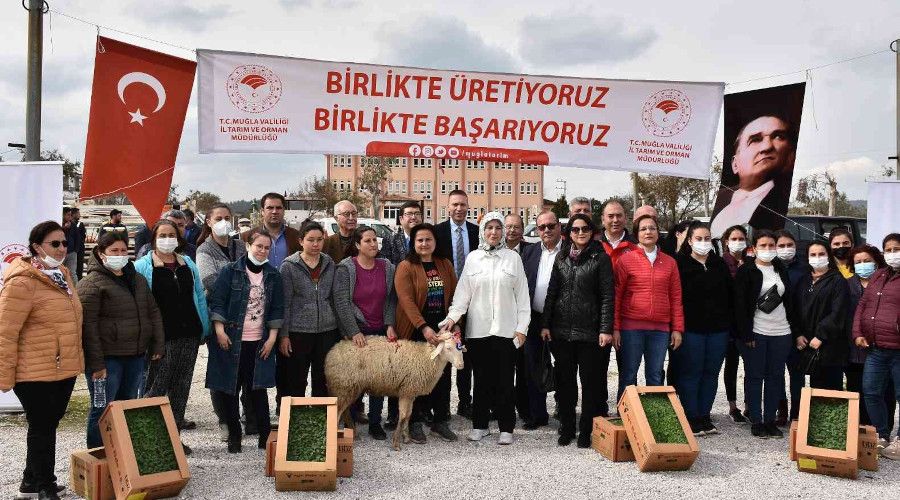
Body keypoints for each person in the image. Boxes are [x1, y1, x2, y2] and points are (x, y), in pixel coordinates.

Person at [0, 221, 83, 500]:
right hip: (33, 371)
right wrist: (4, 374)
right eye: (54, 244)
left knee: (48, 423)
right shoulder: (22, 282)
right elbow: (5, 332)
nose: (61, 249)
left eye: (64, 243)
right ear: (36, 247)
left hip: (63, 367)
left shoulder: (62, 274)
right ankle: (46, 485)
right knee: (43, 427)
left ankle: (30, 481)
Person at [441, 212, 530, 445]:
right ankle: (480, 425)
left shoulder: (513, 259)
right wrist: (452, 318)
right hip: (478, 331)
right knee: (480, 380)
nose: (493, 232)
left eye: (498, 228)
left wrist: (522, 329)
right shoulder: (473, 258)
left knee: (504, 380)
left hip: (506, 331)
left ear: (503, 232)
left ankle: (506, 427)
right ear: (482, 231)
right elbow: (462, 296)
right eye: (489, 228)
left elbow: (523, 298)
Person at [78, 232, 164, 448]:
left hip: (134, 357)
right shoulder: (91, 284)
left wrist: (157, 343)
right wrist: (96, 364)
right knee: (102, 408)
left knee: (128, 406)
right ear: (101, 253)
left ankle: (123, 456)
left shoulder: (137, 279)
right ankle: (98, 456)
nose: (120, 254)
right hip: (107, 361)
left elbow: (152, 312)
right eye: (114, 251)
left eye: (124, 250)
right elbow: (88, 328)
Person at [134, 220, 210, 453]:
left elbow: (198, 295)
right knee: (155, 387)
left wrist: (203, 327)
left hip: (188, 335)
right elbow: (141, 305)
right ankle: (148, 438)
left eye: (171, 234)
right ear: (154, 239)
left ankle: (173, 437)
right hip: (160, 338)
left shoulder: (187, 262)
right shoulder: (142, 266)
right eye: (162, 235)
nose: (167, 239)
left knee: (181, 387)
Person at [541, 213, 614, 448]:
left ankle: (586, 430)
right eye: (575, 229)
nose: (580, 233)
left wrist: (605, 328)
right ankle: (567, 427)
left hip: (590, 333)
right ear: (568, 233)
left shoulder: (600, 258)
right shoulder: (561, 258)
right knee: (565, 384)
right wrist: (545, 324)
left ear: (592, 231)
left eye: (584, 229)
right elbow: (552, 293)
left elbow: (607, 296)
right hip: (562, 333)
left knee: (590, 384)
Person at [207, 229, 283, 453]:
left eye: (267, 247)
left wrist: (272, 339)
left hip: (259, 342)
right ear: (248, 246)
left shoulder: (273, 275)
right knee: (229, 389)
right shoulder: (230, 271)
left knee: (257, 390)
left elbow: (277, 309)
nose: (262, 251)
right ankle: (234, 435)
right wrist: (219, 330)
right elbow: (218, 301)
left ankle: (264, 436)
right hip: (231, 340)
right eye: (258, 246)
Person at [394, 223, 459, 443]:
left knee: (441, 376)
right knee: (416, 377)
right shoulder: (405, 266)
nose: (424, 244)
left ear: (435, 242)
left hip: (442, 327)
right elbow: (406, 301)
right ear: (413, 243)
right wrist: (423, 327)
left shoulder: (445, 264)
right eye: (419, 240)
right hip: (415, 329)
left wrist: (454, 322)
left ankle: (440, 421)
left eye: (428, 239)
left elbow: (454, 296)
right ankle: (414, 423)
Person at [195, 203, 253, 440]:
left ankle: (245, 416)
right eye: (218, 218)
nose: (223, 222)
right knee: (222, 370)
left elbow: (254, 274)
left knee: (244, 369)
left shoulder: (240, 246)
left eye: (227, 217)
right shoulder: (204, 250)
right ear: (208, 222)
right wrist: (239, 280)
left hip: (246, 316)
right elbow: (209, 281)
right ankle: (225, 420)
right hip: (219, 316)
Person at [333, 226, 397, 440]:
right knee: (356, 378)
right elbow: (341, 302)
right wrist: (353, 331)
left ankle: (375, 421)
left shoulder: (386, 266)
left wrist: (389, 324)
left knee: (379, 378)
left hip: (380, 329)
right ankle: (350, 420)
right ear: (358, 245)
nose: (373, 244)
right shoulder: (346, 268)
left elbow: (391, 298)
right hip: (358, 330)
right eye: (367, 241)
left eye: (374, 240)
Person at [613, 214, 684, 401]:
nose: (648, 232)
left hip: (660, 330)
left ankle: (653, 421)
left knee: (655, 376)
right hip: (631, 329)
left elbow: (676, 298)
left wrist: (677, 329)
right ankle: (626, 418)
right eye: (643, 229)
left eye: (652, 228)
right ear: (637, 234)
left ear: (658, 232)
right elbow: (617, 296)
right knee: (628, 376)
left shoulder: (670, 262)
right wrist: (616, 328)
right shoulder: (625, 260)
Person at [674, 222, 733, 436]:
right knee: (691, 372)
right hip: (691, 330)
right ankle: (691, 416)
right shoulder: (680, 264)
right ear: (689, 241)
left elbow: (729, 294)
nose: (703, 243)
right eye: (698, 239)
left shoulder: (719, 264)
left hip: (718, 330)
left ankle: (704, 415)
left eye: (707, 238)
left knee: (711, 372)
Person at [734, 229, 794, 439]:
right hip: (757, 332)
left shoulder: (780, 269)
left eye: (771, 245)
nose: (768, 249)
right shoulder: (746, 271)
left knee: (775, 377)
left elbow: (789, 301)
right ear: (754, 248)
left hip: (782, 332)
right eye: (763, 246)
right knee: (755, 376)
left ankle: (770, 419)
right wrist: (746, 335)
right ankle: (757, 420)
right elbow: (739, 306)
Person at [277, 221, 340, 400]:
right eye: (310, 240)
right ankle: (296, 422)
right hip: (298, 332)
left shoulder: (329, 263)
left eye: (319, 239)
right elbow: (285, 303)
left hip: (327, 331)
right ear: (301, 241)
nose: (315, 244)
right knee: (296, 380)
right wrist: (284, 335)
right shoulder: (288, 266)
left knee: (323, 379)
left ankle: (320, 423)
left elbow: (334, 298)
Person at [853, 233, 900, 459]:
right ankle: (882, 434)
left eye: (896, 249)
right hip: (876, 349)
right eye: (888, 250)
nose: (892, 254)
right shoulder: (879, 276)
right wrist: (857, 332)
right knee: (871, 392)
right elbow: (863, 305)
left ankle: (899, 439)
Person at [710, 115, 796, 236]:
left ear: (791, 157)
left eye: (778, 137)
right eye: (755, 140)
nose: (767, 147)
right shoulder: (720, 197)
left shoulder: (786, 203)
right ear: (735, 164)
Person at [434, 190, 478, 419]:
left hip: (472, 303)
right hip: (444, 302)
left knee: (464, 355)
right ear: (448, 207)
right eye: (455, 205)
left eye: (463, 204)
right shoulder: (438, 232)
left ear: (467, 207)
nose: (459, 209)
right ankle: (440, 407)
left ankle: (464, 402)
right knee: (444, 353)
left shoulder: (476, 232)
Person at [377, 202, 421, 429]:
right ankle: (394, 413)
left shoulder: (426, 239)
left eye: (417, 214)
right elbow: (387, 279)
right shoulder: (391, 242)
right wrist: (389, 319)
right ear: (400, 218)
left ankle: (420, 414)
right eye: (408, 214)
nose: (413, 217)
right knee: (397, 363)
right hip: (398, 308)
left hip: (423, 307)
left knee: (422, 364)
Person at [520, 211, 562, 430]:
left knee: (564, 366)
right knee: (533, 366)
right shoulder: (530, 251)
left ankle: (564, 412)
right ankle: (538, 415)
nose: (546, 230)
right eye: (542, 227)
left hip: (561, 320)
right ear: (537, 230)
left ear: (559, 227)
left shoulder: (570, 252)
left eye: (551, 226)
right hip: (534, 318)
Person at [846, 245, 894, 426]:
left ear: (876, 262)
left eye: (867, 261)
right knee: (857, 389)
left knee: (884, 391)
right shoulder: (847, 284)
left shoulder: (888, 282)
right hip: (855, 349)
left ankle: (884, 430)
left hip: (883, 345)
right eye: (858, 262)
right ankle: (860, 430)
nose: (862, 265)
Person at [793, 242, 850, 391]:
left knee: (830, 388)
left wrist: (821, 336)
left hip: (830, 344)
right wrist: (798, 333)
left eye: (821, 254)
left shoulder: (838, 280)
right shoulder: (804, 280)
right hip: (807, 342)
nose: (817, 258)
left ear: (829, 256)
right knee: (814, 387)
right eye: (813, 255)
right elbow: (795, 309)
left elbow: (838, 312)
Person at [775, 229, 807, 423]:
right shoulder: (770, 267)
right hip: (775, 329)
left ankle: (797, 412)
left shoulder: (804, 269)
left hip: (797, 330)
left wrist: (800, 331)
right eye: (781, 246)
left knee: (797, 374)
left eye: (790, 245)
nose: (786, 249)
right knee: (776, 373)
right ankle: (781, 410)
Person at [721, 224, 750, 424]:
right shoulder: (721, 263)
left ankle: (750, 405)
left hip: (749, 323)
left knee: (751, 366)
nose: (738, 242)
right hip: (728, 323)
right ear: (726, 241)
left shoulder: (751, 262)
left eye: (741, 239)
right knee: (731, 365)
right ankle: (733, 405)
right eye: (734, 239)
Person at [243, 193, 301, 270]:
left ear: (284, 211)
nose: (274, 211)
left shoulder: (296, 236)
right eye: (270, 208)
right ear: (262, 211)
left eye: (278, 208)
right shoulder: (247, 237)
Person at [597, 200, 636, 266]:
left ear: (625, 218)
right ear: (603, 219)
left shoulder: (636, 244)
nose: (615, 220)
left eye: (619, 215)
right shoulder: (594, 244)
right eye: (610, 216)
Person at [323, 200, 359, 264]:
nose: (351, 218)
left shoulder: (363, 239)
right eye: (346, 214)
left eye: (354, 214)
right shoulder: (328, 242)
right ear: (336, 218)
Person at [70, 208, 87, 280]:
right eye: (78, 213)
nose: (79, 215)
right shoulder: (68, 224)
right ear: (73, 214)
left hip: (79, 249)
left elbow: (83, 236)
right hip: (70, 249)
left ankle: (79, 281)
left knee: (79, 266)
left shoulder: (80, 224)